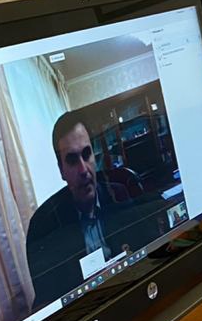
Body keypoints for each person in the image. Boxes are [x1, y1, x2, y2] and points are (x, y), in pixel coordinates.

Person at [26, 111, 166, 308]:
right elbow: (49, 301)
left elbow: (151, 252)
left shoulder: (121, 193)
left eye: (86, 154)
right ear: (61, 170)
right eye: (72, 160)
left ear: (94, 155)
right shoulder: (45, 225)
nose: (83, 170)